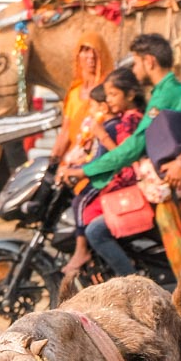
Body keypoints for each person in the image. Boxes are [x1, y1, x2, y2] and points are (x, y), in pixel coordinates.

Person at [75, 33, 181, 277]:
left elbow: (136, 146)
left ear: (149, 61)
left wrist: (86, 170)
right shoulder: (168, 92)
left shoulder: (168, 95)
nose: (134, 68)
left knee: (96, 231)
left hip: (169, 188)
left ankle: (132, 290)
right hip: (164, 184)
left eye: (135, 62)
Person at [57, 68, 145, 284]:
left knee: (93, 223)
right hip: (121, 179)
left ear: (130, 95)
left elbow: (122, 156)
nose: (109, 101)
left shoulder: (129, 121)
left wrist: (83, 170)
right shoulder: (123, 119)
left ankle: (131, 284)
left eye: (113, 95)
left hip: (128, 183)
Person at [52, 33, 112, 167]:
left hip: (97, 158)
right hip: (72, 158)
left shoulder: (109, 91)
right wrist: (53, 161)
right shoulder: (74, 92)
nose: (91, 56)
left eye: (95, 51)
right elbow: (65, 132)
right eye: (85, 50)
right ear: (77, 55)